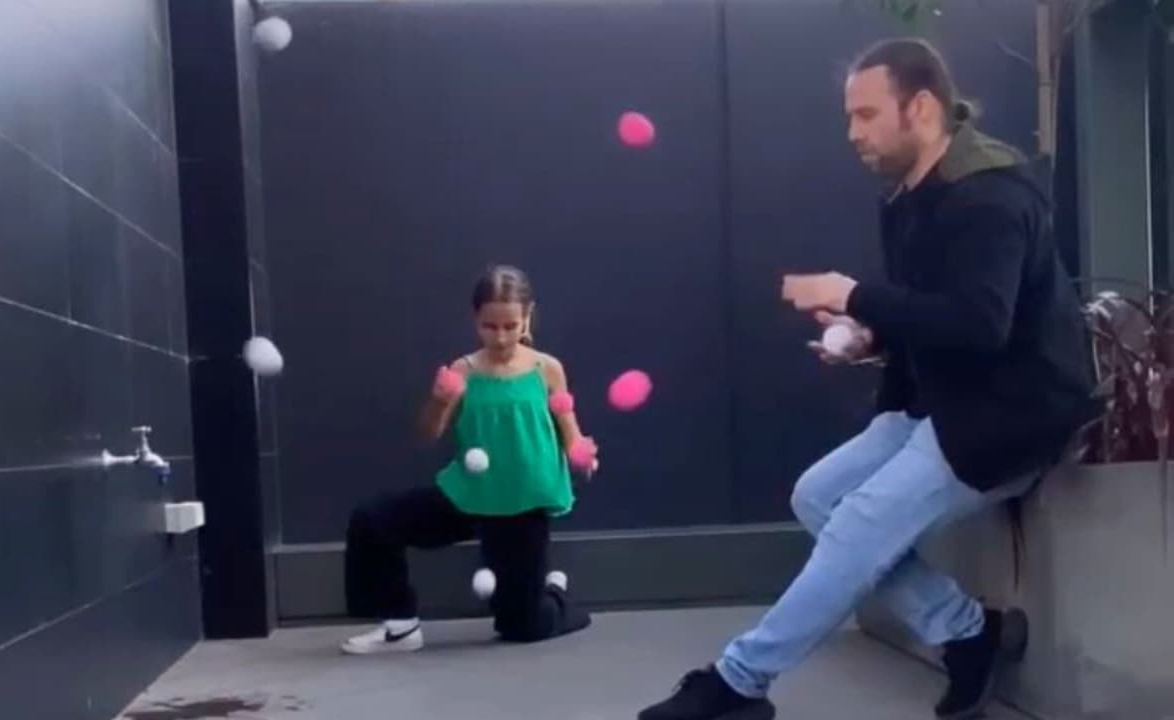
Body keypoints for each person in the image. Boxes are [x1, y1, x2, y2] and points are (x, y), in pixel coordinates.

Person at [637, 38, 1097, 720]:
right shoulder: (910, 197)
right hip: (944, 403)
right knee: (817, 497)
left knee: (858, 523)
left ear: (921, 108)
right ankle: (970, 632)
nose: (852, 132)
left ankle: (738, 681)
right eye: (849, 116)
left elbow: (978, 325)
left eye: (866, 114)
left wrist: (854, 295)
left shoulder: (990, 199)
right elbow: (932, 312)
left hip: (1010, 415)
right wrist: (867, 335)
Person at [341, 264, 596, 654]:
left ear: (528, 317)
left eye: (510, 325)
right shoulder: (462, 370)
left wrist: (581, 455)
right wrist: (441, 399)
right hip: (470, 495)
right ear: (475, 320)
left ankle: (555, 594)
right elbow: (428, 434)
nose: (500, 336)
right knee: (372, 519)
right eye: (490, 326)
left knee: (521, 626)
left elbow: (569, 427)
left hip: (523, 504)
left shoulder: (548, 369)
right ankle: (401, 628)